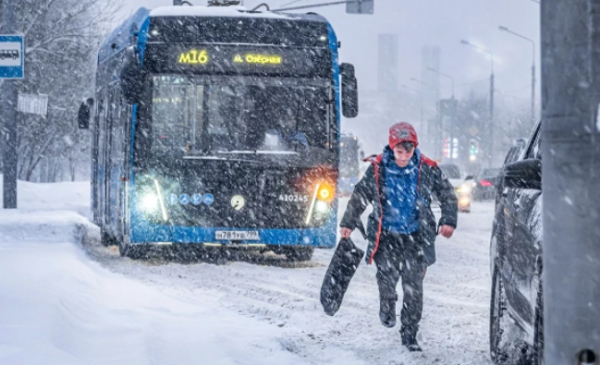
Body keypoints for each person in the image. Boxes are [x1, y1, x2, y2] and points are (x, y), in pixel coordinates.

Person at [339, 122, 458, 352]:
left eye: (408, 152)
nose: (404, 157)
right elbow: (360, 196)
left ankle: (410, 335)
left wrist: (448, 220)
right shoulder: (377, 169)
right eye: (399, 152)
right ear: (392, 148)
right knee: (386, 279)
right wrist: (348, 223)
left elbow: (447, 193)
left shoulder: (427, 168)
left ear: (415, 148)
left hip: (416, 238)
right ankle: (387, 303)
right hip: (387, 238)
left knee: (414, 289)